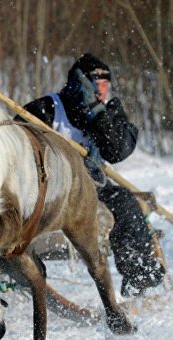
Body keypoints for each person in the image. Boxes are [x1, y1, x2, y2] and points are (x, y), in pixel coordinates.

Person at [21, 53, 165, 296]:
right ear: (79, 84)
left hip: (93, 188)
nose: (103, 90)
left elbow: (116, 151)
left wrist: (97, 113)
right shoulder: (46, 110)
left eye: (106, 84)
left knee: (127, 203)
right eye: (96, 84)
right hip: (50, 189)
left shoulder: (109, 113)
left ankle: (139, 274)